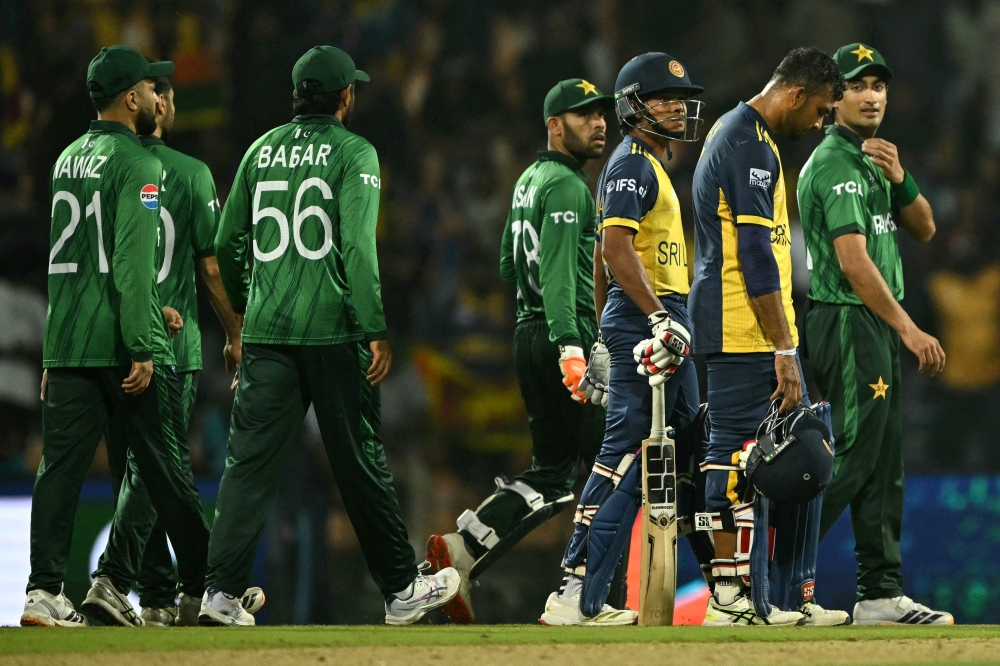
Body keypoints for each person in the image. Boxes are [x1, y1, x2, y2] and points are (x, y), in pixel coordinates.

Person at [204, 45, 459, 627]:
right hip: (333, 329)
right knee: (359, 462)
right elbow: (357, 249)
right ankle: (399, 591)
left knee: (247, 465)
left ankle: (218, 595)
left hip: (267, 333)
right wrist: (373, 324)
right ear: (346, 96)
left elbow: (225, 246)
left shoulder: (259, 151)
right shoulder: (354, 151)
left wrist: (247, 311)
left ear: (297, 95)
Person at [21, 46, 210, 628]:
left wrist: (56, 350)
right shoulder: (142, 165)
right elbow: (129, 265)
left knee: (59, 470)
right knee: (166, 472)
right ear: (133, 98)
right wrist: (145, 342)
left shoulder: (65, 160)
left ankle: (43, 593)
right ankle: (208, 586)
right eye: (152, 91)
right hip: (121, 345)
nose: (159, 97)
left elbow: (73, 260)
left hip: (69, 340)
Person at [423, 79, 614, 624]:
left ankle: (462, 550)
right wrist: (573, 350)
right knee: (614, 466)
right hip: (563, 335)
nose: (598, 124)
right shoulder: (569, 188)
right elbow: (556, 278)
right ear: (555, 126)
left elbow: (510, 265)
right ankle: (588, 595)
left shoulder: (529, 179)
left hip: (527, 333)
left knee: (552, 474)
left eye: (601, 115)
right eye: (583, 117)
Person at [539, 52, 706, 626]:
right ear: (634, 104)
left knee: (686, 444)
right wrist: (653, 318)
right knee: (623, 453)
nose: (679, 108)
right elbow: (614, 248)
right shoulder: (634, 163)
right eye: (664, 98)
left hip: (649, 314)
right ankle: (573, 588)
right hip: (650, 316)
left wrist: (606, 327)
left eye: (682, 99)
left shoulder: (646, 164)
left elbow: (602, 260)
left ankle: (722, 589)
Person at [689, 47, 848, 626]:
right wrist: (784, 347)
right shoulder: (750, 144)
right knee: (732, 454)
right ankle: (729, 599)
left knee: (797, 450)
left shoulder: (739, 134)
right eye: (823, 110)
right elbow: (755, 254)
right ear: (797, 94)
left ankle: (780, 599)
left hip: (753, 323)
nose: (822, 123)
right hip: (741, 324)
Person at [93, 68, 254, 627]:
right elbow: (210, 268)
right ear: (157, 103)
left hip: (105, 343)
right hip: (169, 345)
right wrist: (235, 332)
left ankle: (162, 596)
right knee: (155, 468)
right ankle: (122, 578)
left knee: (134, 470)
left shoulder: (101, 168)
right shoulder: (189, 174)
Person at [799, 43, 952, 625]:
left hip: (872, 325)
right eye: (859, 85)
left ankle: (880, 593)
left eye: (880, 86)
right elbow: (855, 264)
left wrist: (900, 174)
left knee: (884, 460)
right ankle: (777, 577)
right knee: (857, 454)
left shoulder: (872, 161)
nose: (872, 96)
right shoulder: (836, 163)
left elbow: (928, 227)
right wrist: (910, 330)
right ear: (836, 96)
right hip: (848, 320)